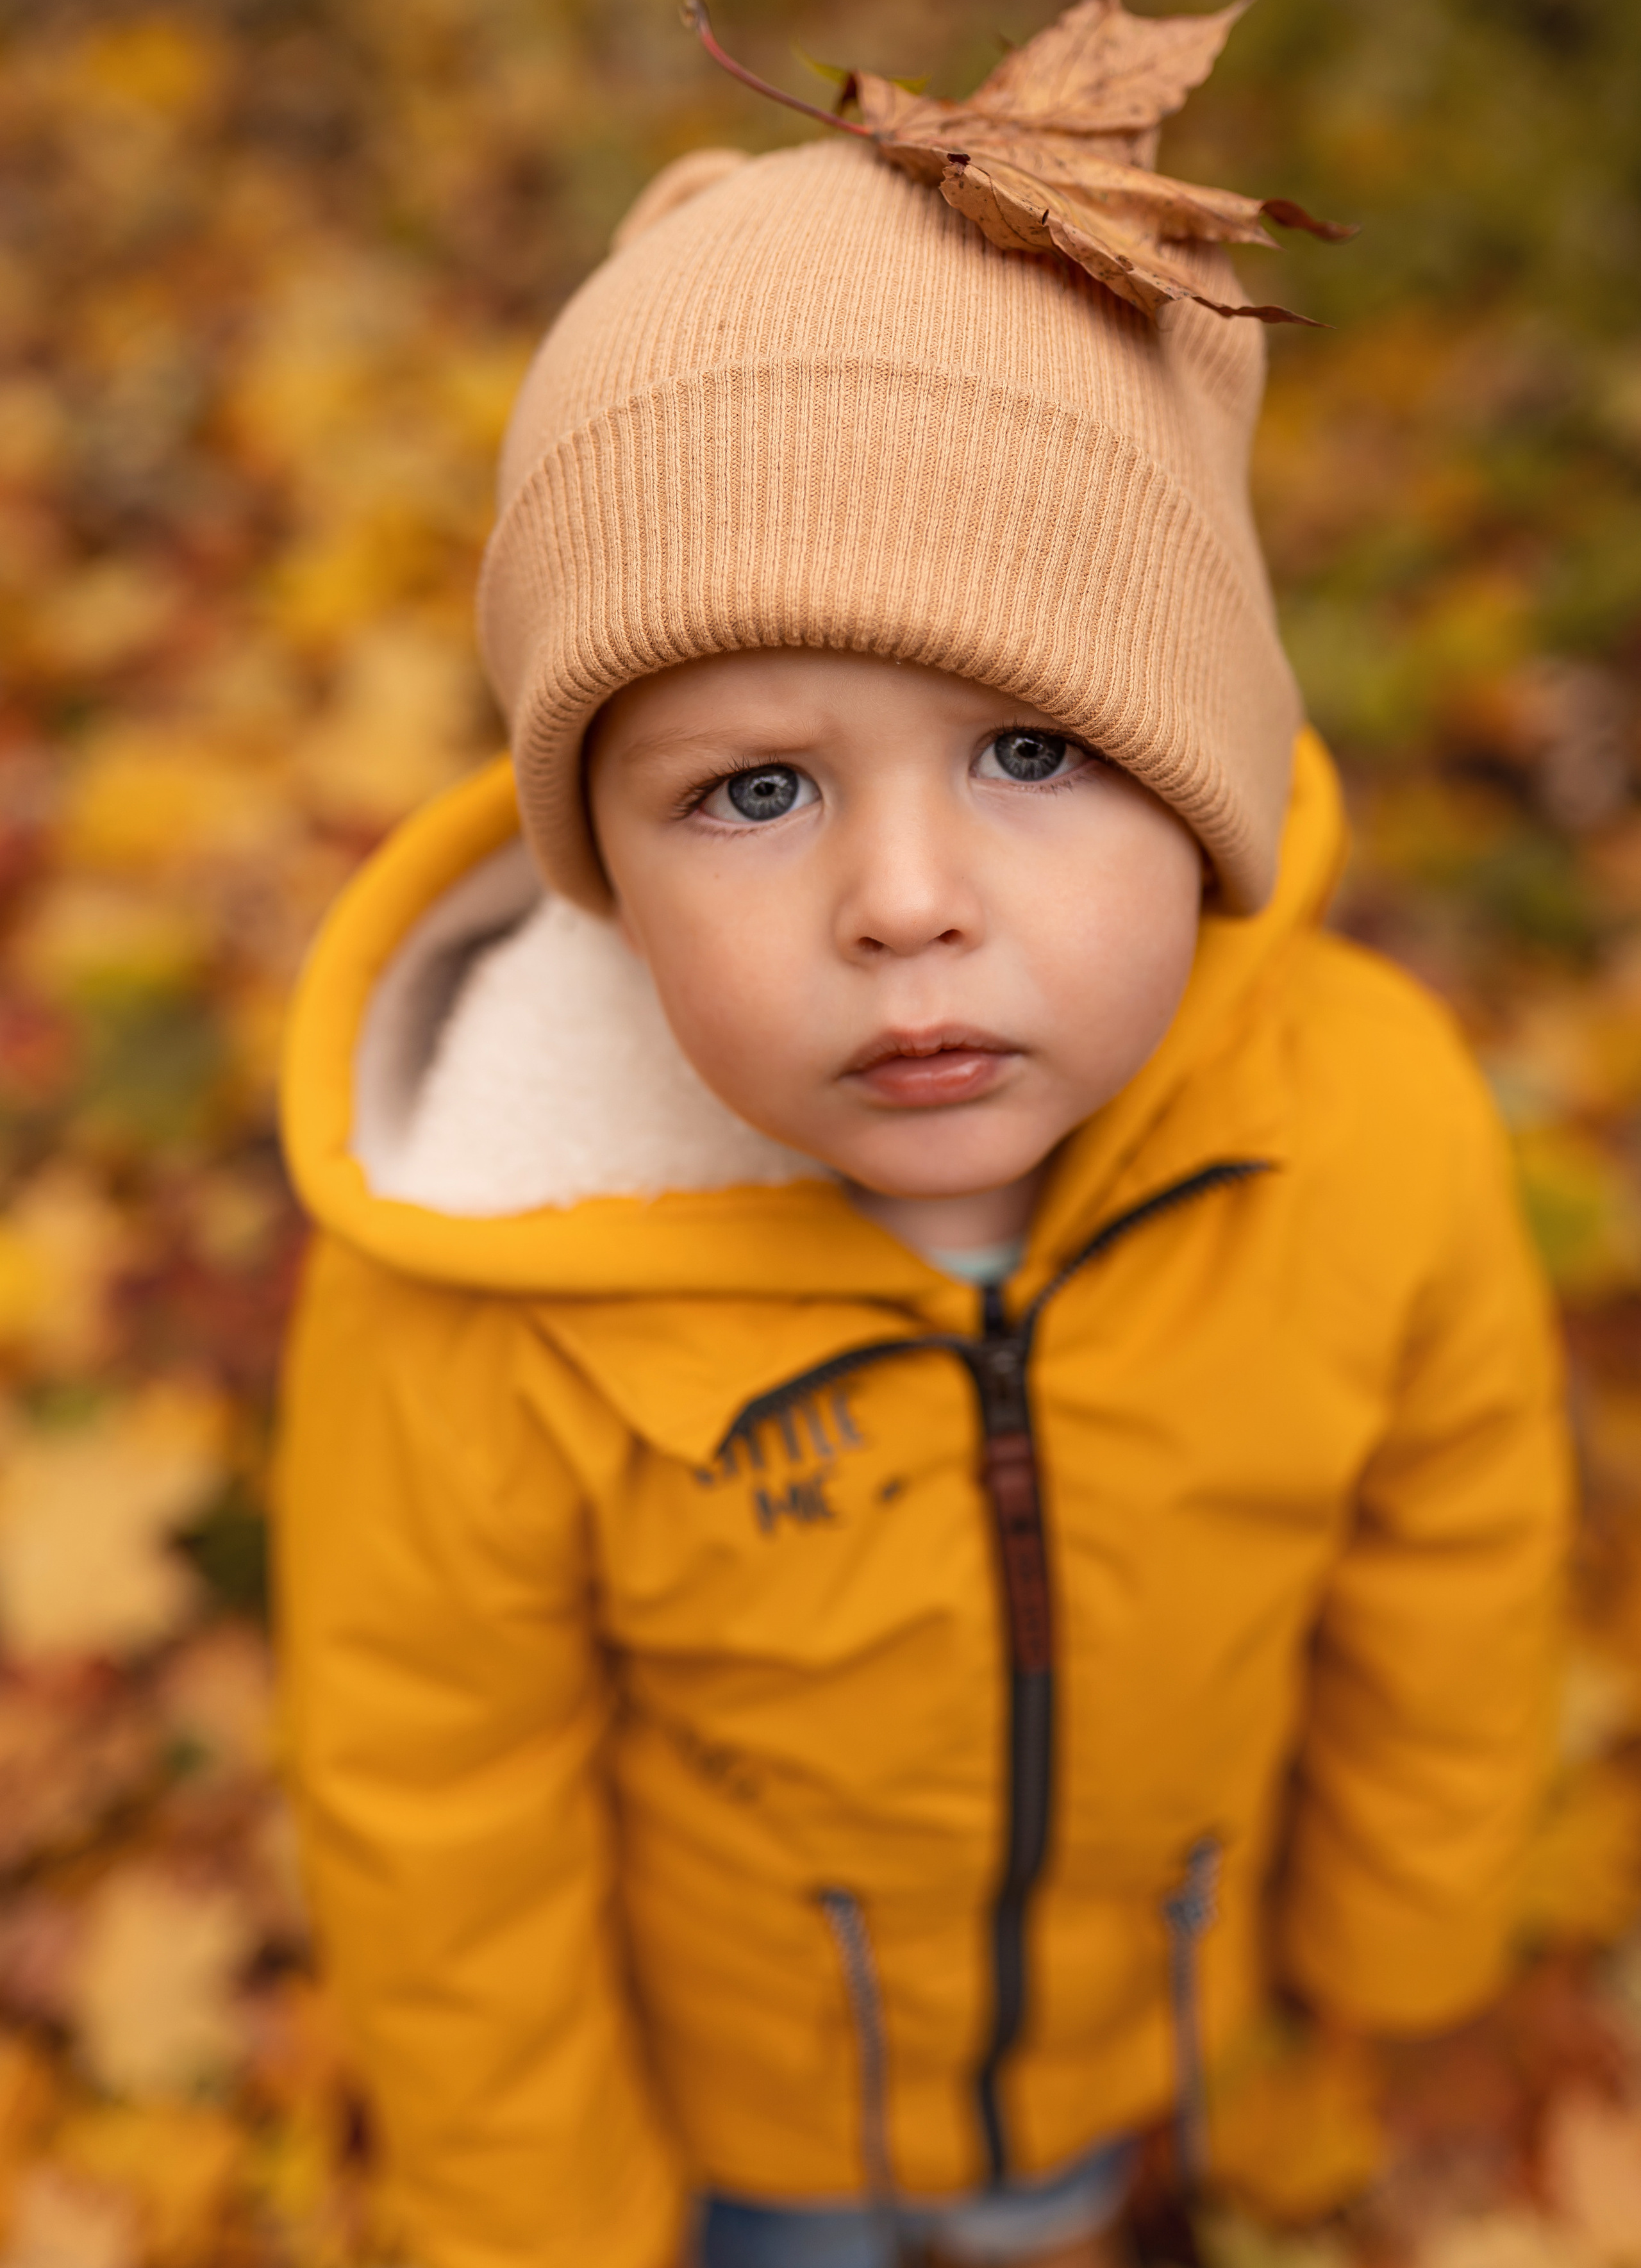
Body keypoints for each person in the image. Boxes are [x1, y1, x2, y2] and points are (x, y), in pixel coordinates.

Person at [274, 129, 1570, 2268]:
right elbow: (442, 1818)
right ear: (598, 862)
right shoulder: (486, 1280)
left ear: (1208, 773)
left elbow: (1454, 1558)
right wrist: (545, 2228)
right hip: (747, 2127)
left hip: (1147, 2021)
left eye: (1033, 752)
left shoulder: (1369, 1129)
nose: (903, 903)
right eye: (754, 791)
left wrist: (1395, 1941)